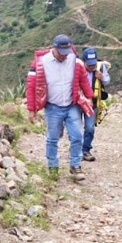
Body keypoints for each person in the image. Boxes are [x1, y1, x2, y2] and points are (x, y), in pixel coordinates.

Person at [26, 34, 93, 182]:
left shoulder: (74, 60)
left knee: (77, 136)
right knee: (52, 138)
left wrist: (89, 96)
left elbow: (83, 80)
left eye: (66, 53)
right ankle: (53, 167)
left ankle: (75, 165)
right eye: (61, 54)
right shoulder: (40, 63)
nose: (64, 57)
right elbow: (31, 86)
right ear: (54, 49)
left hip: (71, 105)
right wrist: (32, 109)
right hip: (53, 107)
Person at [80, 47, 110, 162]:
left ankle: (86, 150)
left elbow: (107, 81)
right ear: (84, 61)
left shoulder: (100, 67)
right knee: (75, 128)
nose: (91, 67)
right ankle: (76, 149)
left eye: (93, 64)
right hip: (78, 102)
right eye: (89, 65)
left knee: (89, 128)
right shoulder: (78, 67)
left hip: (93, 103)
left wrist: (101, 77)